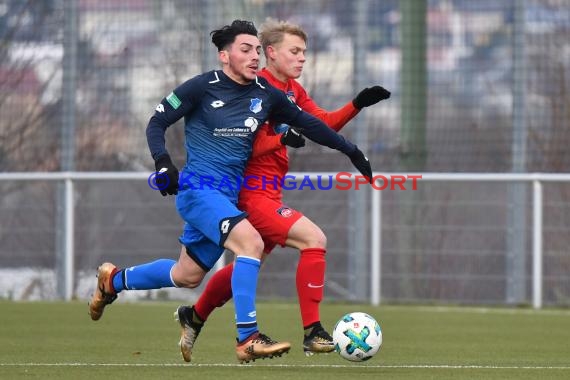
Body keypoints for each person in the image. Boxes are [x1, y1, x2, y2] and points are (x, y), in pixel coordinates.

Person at [88, 19, 373, 364]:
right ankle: (247, 337)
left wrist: (350, 150)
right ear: (225, 56)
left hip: (226, 197)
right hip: (198, 190)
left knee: (187, 275)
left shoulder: (266, 95)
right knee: (250, 243)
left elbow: (312, 125)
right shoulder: (201, 87)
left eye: (256, 50)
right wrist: (163, 162)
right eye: (246, 49)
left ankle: (113, 281)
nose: (255, 56)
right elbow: (157, 121)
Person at [173, 19, 390, 362]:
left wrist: (357, 104)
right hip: (250, 192)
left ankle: (194, 315)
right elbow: (244, 146)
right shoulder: (255, 88)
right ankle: (312, 332)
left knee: (247, 261)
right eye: (295, 51)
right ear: (271, 53)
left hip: (270, 193)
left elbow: (321, 123)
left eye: (304, 52)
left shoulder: (291, 91)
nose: (302, 58)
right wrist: (280, 138)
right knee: (314, 239)